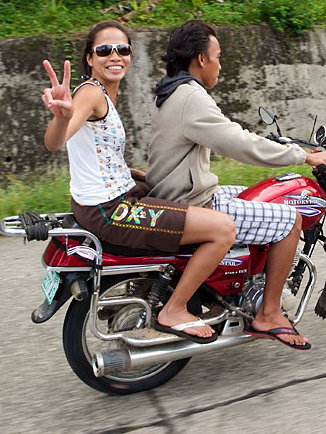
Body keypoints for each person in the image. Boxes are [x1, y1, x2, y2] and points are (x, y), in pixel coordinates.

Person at [40, 21, 236, 343]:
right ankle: (174, 308)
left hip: (112, 197)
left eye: (123, 49)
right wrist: (61, 117)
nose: (114, 56)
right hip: (110, 210)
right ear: (90, 58)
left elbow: (98, 154)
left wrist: (136, 174)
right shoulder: (90, 92)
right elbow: (55, 142)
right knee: (222, 229)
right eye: (104, 50)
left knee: (177, 199)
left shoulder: (105, 94)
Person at [147, 20, 326, 350]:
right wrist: (301, 156)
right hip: (191, 202)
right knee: (290, 221)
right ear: (201, 59)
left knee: (253, 195)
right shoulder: (191, 97)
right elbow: (238, 142)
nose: (221, 63)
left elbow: (226, 131)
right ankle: (270, 314)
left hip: (178, 192)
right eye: (218, 56)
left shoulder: (171, 91)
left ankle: (236, 286)